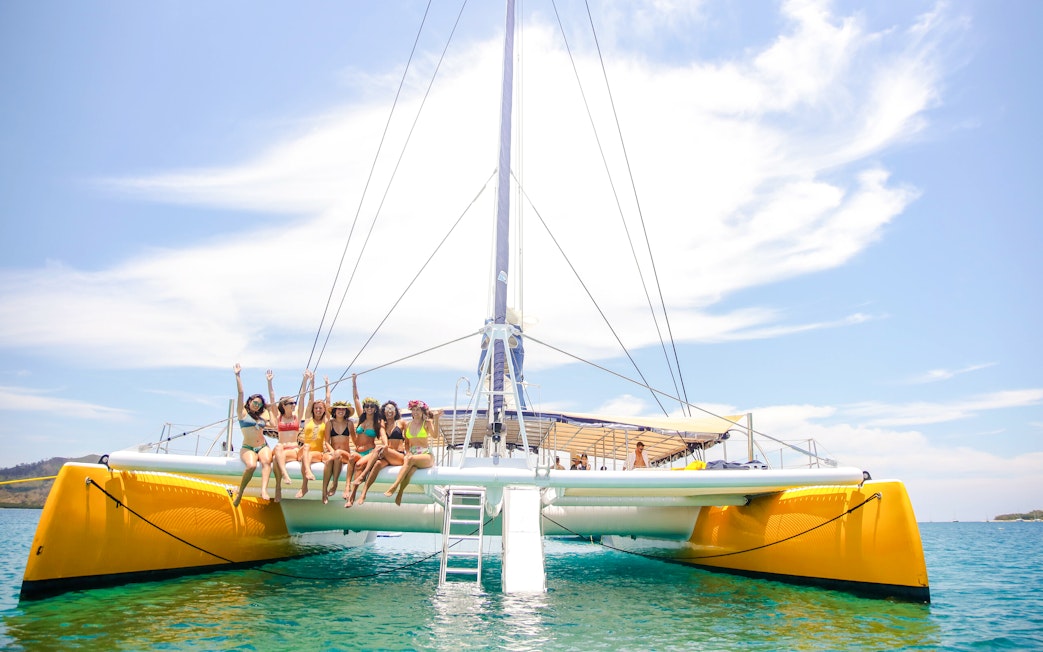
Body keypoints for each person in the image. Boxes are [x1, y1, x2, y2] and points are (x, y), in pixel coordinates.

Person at [231, 363, 276, 506]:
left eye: (259, 404)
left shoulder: (262, 417)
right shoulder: (242, 414)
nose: (256, 405)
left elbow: (274, 424)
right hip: (248, 447)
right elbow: (240, 394)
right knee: (250, 466)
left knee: (266, 461)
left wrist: (269, 383)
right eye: (255, 403)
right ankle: (240, 493)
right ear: (249, 402)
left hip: (262, 446)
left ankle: (264, 490)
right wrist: (238, 376)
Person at [385, 400, 440, 506]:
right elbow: (407, 443)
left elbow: (435, 435)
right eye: (414, 410)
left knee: (409, 459)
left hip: (426, 454)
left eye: (418, 410)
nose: (415, 412)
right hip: (413, 454)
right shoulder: (408, 425)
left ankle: (394, 486)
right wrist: (408, 452)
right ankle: (400, 493)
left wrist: (436, 419)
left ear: (422, 411)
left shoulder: (427, 423)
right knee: (409, 471)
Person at [353, 400, 407, 506]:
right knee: (377, 464)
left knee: (380, 448)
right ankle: (363, 493)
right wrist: (385, 446)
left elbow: (408, 440)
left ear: (396, 411)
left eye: (392, 409)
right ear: (383, 412)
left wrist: (409, 453)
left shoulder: (402, 423)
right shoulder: (382, 425)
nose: (389, 411)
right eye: (387, 409)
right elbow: (382, 435)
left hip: (398, 455)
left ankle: (362, 475)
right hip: (386, 456)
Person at [345, 373, 385, 507]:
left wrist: (385, 445)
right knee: (351, 457)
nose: (368, 408)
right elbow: (356, 398)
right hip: (358, 450)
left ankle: (354, 495)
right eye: (367, 406)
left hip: (369, 452)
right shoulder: (361, 419)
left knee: (358, 466)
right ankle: (347, 487)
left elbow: (384, 436)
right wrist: (354, 382)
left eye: (371, 407)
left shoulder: (378, 423)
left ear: (375, 409)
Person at [268, 369, 307, 489]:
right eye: (291, 403)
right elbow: (272, 399)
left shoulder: (297, 417)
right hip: (280, 447)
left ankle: (278, 487)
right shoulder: (279, 418)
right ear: (284, 405)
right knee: (278, 448)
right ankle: (284, 475)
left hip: (293, 448)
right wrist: (269, 382)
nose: (294, 404)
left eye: (294, 403)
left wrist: (305, 380)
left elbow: (302, 398)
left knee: (276, 459)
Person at [296, 373, 330, 498]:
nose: (318, 410)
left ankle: (304, 487)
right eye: (316, 408)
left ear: (324, 410)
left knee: (308, 453)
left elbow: (328, 401)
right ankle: (306, 477)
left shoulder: (325, 422)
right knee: (305, 448)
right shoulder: (308, 419)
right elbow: (310, 399)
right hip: (303, 451)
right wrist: (312, 382)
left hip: (317, 453)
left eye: (321, 408)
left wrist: (327, 385)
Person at [322, 400, 357, 504]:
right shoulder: (329, 423)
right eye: (338, 408)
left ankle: (335, 483)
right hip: (334, 453)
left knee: (338, 454)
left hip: (345, 454)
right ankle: (324, 492)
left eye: (343, 409)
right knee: (330, 461)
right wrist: (332, 451)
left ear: (346, 411)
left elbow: (355, 440)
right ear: (335, 411)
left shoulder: (349, 423)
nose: (340, 411)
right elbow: (327, 442)